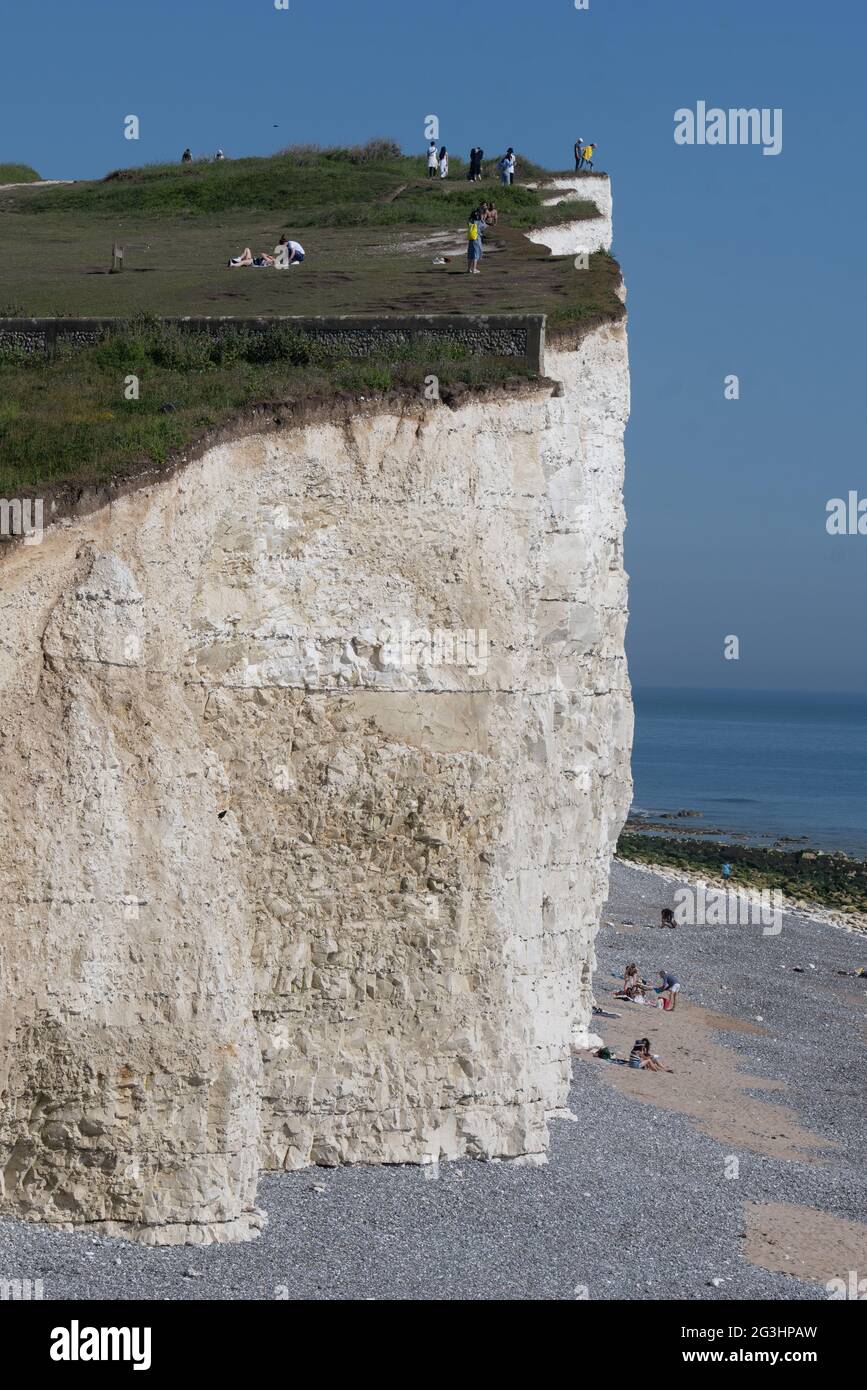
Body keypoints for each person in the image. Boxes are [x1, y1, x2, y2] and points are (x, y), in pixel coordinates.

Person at [466, 208, 483, 274]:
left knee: (470, 254)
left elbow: (468, 221)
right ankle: (474, 269)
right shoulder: (479, 222)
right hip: (476, 239)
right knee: (475, 254)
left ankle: (468, 269)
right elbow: (484, 226)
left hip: (470, 239)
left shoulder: (470, 222)